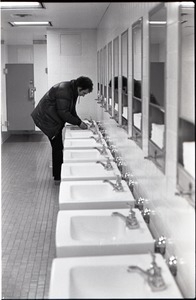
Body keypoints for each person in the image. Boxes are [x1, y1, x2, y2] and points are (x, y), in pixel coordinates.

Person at [31, 76, 93, 184]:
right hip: (46, 119)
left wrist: (80, 122)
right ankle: (58, 178)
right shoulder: (64, 91)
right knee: (58, 148)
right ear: (79, 88)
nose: (83, 95)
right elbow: (63, 113)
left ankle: (58, 175)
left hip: (51, 119)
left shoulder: (71, 90)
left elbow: (71, 111)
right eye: (84, 93)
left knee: (58, 147)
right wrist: (79, 123)